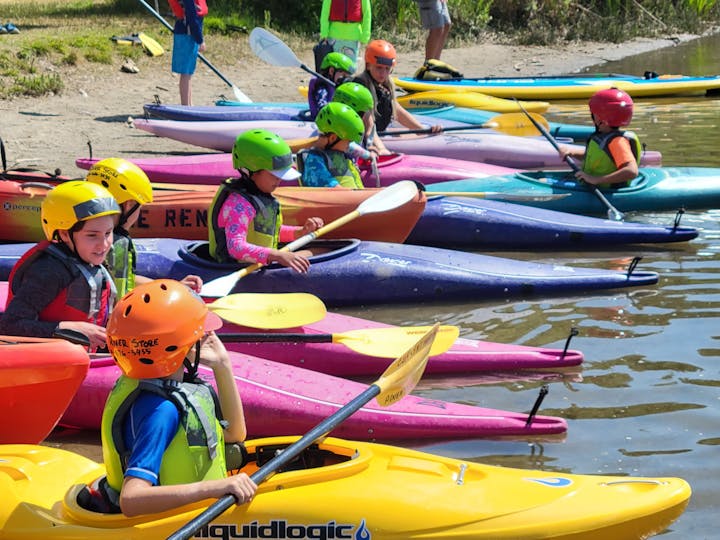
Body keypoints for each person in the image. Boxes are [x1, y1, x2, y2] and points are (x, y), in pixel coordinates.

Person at [98, 279, 257, 516]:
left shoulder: (148, 383)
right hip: (166, 522)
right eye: (201, 335)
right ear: (178, 349)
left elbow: (234, 434)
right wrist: (216, 487)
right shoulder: (161, 411)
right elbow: (131, 500)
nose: (209, 337)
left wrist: (223, 367)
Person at [0, 181, 119, 351]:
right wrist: (66, 329)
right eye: (92, 235)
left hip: (82, 359)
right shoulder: (49, 271)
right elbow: (10, 326)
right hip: (42, 363)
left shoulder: (90, 260)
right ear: (64, 234)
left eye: (108, 233)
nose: (104, 244)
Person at [208, 129, 324, 274]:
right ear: (251, 171)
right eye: (275, 175)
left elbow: (267, 232)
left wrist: (300, 232)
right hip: (238, 270)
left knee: (323, 250)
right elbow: (236, 247)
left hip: (260, 265)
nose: (280, 180)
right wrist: (276, 255)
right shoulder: (239, 205)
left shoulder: (258, 196)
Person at [86, 158, 202, 297]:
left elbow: (125, 279)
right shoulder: (116, 245)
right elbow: (119, 296)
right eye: (139, 206)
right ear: (129, 205)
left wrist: (169, 287)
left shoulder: (80, 235)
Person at [353, 39, 442, 155]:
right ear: (368, 65)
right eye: (379, 67)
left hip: (382, 133)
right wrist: (381, 149)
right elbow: (368, 126)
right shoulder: (361, 87)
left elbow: (398, 112)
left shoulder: (385, 85)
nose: (383, 73)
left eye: (387, 69)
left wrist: (421, 129)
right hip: (370, 139)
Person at [560, 88, 641, 187]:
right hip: (592, 187)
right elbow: (599, 160)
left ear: (600, 118)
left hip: (606, 192)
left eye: (593, 113)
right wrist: (572, 153)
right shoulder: (605, 138)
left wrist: (596, 180)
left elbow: (631, 171)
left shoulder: (617, 142)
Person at [297, 102, 367, 189]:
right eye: (348, 142)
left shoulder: (344, 159)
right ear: (333, 138)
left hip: (354, 201)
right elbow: (332, 189)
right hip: (338, 201)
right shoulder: (314, 160)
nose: (350, 145)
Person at [170, 0, 207, 105]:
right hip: (186, 35)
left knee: (188, 73)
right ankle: (185, 106)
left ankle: (189, 105)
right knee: (186, 73)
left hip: (189, 34)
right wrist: (200, 40)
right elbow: (191, 16)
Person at [318, 0, 372, 70]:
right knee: (333, 67)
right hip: (334, 37)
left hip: (353, 37)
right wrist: (324, 34)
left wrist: (365, 36)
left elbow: (367, 14)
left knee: (350, 68)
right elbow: (325, 13)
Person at [308, 51, 355, 120]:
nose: (346, 79)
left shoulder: (335, 84)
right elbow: (322, 109)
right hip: (320, 122)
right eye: (344, 75)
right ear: (331, 71)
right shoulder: (322, 87)